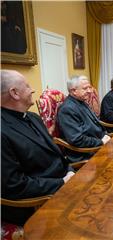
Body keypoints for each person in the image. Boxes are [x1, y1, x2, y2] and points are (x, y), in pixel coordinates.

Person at [1, 70, 74, 225]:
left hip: (64, 182)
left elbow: (55, 153)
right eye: (27, 86)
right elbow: (14, 186)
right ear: (14, 93)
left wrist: (69, 171)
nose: (33, 89)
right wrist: (62, 182)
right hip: (36, 203)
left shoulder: (32, 117)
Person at [57, 75, 111, 163]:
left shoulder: (81, 101)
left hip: (98, 145)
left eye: (89, 87)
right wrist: (100, 142)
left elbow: (94, 123)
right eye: (85, 88)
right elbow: (77, 139)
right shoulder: (67, 109)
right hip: (86, 154)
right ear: (74, 91)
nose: (90, 91)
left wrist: (104, 135)